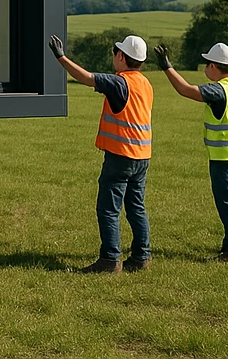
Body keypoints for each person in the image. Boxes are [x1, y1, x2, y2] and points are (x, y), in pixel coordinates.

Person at [49, 33, 154, 273]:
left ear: (121, 56)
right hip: (142, 155)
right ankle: (141, 257)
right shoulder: (145, 83)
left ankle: (110, 260)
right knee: (136, 206)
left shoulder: (119, 82)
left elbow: (86, 77)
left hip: (120, 155)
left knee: (108, 208)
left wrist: (61, 57)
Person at [156, 41, 228, 261]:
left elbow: (186, 90)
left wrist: (167, 68)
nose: (205, 67)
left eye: (207, 63)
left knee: (227, 203)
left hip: (224, 156)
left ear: (215, 67)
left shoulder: (219, 90)